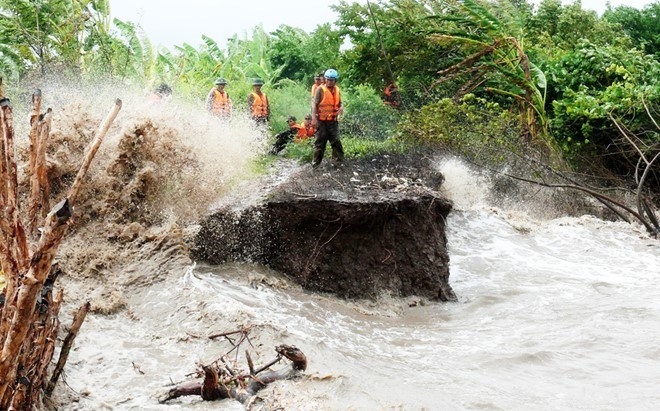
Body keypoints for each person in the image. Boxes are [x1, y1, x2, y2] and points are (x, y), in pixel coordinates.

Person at [311, 68, 344, 169]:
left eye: (332, 80)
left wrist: (341, 108)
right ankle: (315, 165)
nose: (330, 82)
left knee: (336, 142)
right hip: (321, 121)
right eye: (328, 79)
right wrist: (314, 119)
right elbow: (314, 104)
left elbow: (340, 103)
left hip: (333, 121)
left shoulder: (337, 90)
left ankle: (337, 164)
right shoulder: (320, 89)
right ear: (325, 79)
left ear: (335, 80)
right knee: (320, 144)